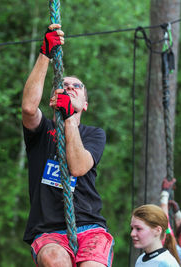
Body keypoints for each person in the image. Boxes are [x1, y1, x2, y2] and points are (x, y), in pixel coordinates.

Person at [21, 23, 114, 267]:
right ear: (53, 99)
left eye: (77, 86)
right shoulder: (43, 132)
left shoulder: (94, 134)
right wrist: (45, 54)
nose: (70, 86)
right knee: (55, 260)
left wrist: (70, 119)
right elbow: (29, 109)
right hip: (49, 231)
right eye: (64, 85)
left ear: (85, 104)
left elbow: (78, 167)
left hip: (89, 226)